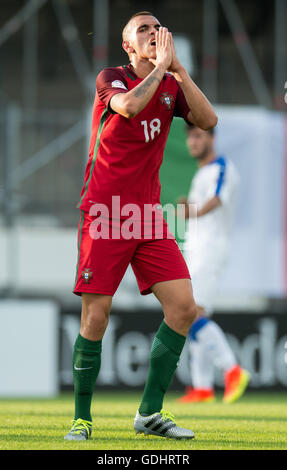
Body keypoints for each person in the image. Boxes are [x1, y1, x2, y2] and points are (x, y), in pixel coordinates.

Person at [64, 11, 217, 441]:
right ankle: (82, 417)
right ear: (129, 47)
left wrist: (181, 73)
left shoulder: (172, 83)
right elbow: (130, 107)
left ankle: (149, 414)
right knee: (96, 315)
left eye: (157, 27)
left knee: (184, 307)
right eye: (142, 30)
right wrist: (164, 70)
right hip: (105, 212)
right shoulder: (110, 77)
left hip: (148, 217)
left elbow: (208, 121)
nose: (153, 33)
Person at [177, 125, 250, 404]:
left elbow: (218, 199)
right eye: (190, 137)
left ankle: (232, 370)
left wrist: (191, 210)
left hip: (211, 249)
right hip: (196, 249)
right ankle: (203, 387)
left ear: (211, 138)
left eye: (198, 136)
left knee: (192, 313)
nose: (193, 142)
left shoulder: (223, 167)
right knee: (192, 314)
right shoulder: (201, 173)